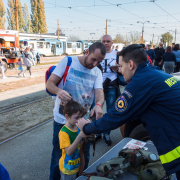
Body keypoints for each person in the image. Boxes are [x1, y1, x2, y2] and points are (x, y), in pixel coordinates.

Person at [77, 44, 180, 180]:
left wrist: (87, 127)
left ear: (130, 64)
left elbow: (116, 116)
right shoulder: (154, 74)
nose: (119, 70)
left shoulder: (142, 81)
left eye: (120, 66)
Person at [46, 42, 106, 180]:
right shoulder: (68, 61)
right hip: (63, 120)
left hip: (83, 122)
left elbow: (100, 93)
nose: (95, 64)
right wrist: (58, 91)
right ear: (87, 52)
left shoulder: (97, 71)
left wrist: (98, 104)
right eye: (94, 59)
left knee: (84, 155)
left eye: (100, 61)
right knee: (58, 158)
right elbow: (50, 84)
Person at [94, 35, 120, 146]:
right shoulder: (97, 53)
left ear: (112, 43)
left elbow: (124, 69)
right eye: (103, 41)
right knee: (95, 110)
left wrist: (118, 68)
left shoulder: (117, 54)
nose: (105, 43)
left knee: (110, 111)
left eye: (108, 41)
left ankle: (107, 133)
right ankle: (96, 132)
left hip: (111, 85)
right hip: (97, 86)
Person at [59, 100, 89, 180]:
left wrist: (88, 129)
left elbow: (83, 142)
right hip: (68, 170)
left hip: (77, 165)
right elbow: (68, 152)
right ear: (67, 116)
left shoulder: (77, 127)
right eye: (76, 118)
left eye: (81, 117)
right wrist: (80, 136)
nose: (79, 120)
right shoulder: (64, 132)